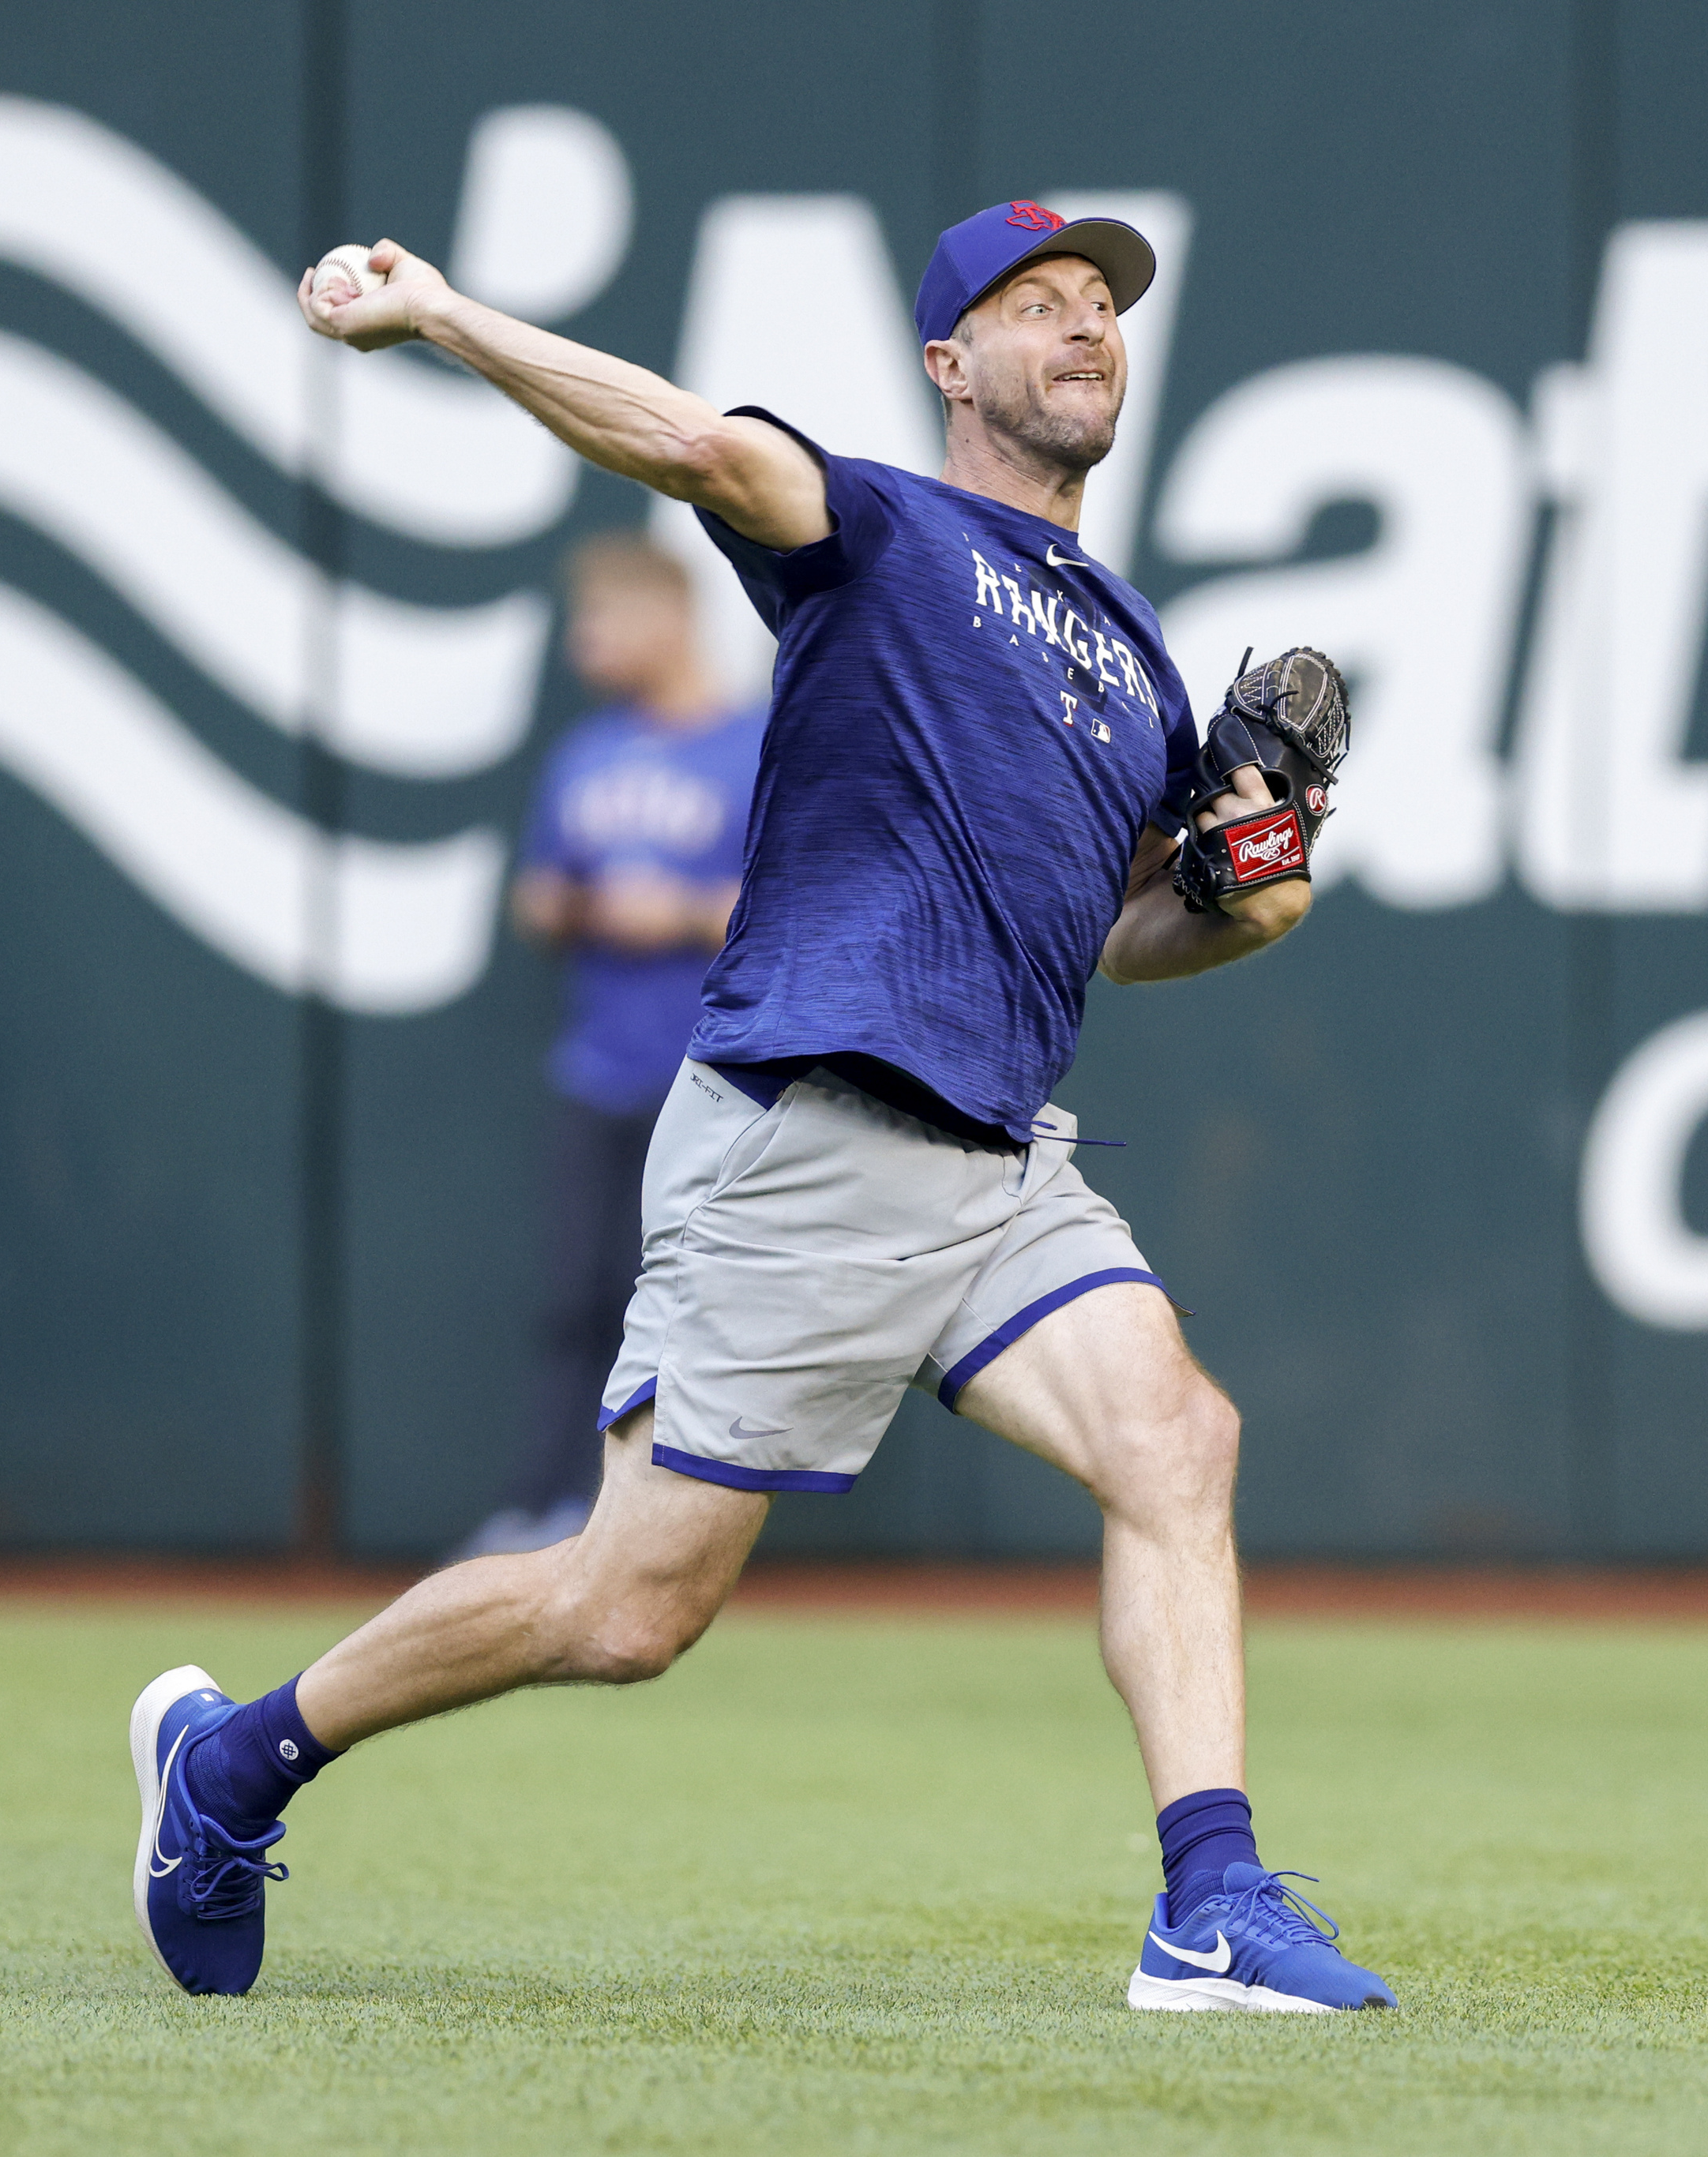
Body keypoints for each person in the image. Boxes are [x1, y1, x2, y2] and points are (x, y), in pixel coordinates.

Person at [129, 199, 1392, 2015]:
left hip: (994, 1152)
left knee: (1177, 1442)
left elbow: (1127, 936)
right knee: (624, 1608)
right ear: (952, 364)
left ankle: (1209, 1899)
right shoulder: (877, 530)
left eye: (1100, 305)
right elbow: (703, 445)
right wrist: (447, 318)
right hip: (815, 1117)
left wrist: (1251, 886)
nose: (1085, 328)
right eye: (1035, 305)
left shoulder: (1130, 656)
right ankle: (233, 1766)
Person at [454, 535, 765, 1561]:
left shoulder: (758, 744)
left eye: (604, 619)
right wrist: (587, 906)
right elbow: (539, 898)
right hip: (599, 1070)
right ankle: (548, 1508)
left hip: (717, 1080)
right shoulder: (586, 755)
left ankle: (667, 1524)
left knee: (694, 1310)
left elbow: (798, 908)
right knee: (576, 1298)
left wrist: (674, 912)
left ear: (668, 618)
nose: (585, 643)